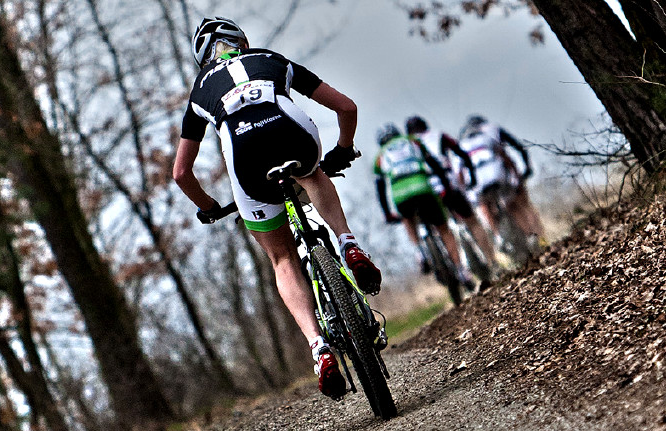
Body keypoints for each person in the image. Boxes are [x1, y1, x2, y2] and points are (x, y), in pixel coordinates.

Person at [172, 16, 381, 400]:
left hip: (246, 161)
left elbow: (181, 173)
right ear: (243, 41)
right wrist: (344, 149)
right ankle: (348, 244)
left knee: (283, 258)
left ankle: (318, 347)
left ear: (201, 58)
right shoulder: (270, 59)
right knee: (315, 175)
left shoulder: (200, 90)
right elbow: (346, 106)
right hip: (292, 136)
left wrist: (211, 207)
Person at [373, 123, 473, 288]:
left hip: (401, 194)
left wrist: (387, 213)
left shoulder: (380, 155)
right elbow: (433, 162)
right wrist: (446, 185)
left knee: (407, 218)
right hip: (423, 188)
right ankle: (461, 270)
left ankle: (419, 251)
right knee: (444, 229)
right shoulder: (413, 141)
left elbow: (380, 186)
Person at [404, 116, 498, 270]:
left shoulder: (407, 143)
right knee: (472, 221)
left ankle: (458, 269)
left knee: (441, 228)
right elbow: (462, 154)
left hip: (426, 189)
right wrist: (472, 177)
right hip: (448, 184)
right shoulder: (439, 135)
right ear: (425, 126)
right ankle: (492, 261)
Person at [457, 115, 546, 247]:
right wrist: (522, 171)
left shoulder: (462, 144)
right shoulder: (492, 130)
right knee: (517, 205)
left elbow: (460, 173)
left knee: (484, 204)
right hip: (500, 175)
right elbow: (514, 150)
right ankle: (538, 237)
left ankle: (498, 236)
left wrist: (465, 191)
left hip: (480, 183)